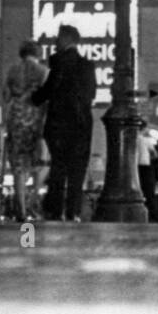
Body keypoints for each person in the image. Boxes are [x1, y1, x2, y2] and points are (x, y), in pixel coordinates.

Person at [31, 25, 96, 222]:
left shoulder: (58, 64)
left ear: (67, 39)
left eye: (58, 38)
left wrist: (32, 95)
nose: (55, 42)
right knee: (77, 170)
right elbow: (91, 94)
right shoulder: (87, 65)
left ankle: (55, 210)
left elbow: (44, 94)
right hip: (81, 124)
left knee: (58, 167)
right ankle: (73, 211)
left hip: (58, 124)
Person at [1, 39, 49, 221]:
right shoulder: (43, 72)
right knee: (40, 164)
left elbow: (5, 96)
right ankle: (33, 201)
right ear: (38, 53)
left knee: (18, 168)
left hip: (16, 121)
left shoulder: (12, 71)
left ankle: (20, 208)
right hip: (37, 122)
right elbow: (47, 98)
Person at [137, 121, 158, 222]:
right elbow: (154, 154)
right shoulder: (147, 140)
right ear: (144, 128)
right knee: (149, 193)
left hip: (134, 168)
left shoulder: (131, 139)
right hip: (145, 167)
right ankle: (152, 216)